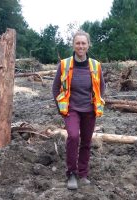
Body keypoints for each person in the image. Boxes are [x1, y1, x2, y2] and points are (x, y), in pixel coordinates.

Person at [52, 30, 105, 190]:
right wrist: (61, 108)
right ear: (73, 45)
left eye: (83, 43)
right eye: (78, 43)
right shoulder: (64, 65)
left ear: (88, 45)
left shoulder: (96, 66)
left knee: (87, 142)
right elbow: (55, 88)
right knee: (74, 137)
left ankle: (83, 174)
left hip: (89, 110)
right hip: (71, 109)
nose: (80, 46)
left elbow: (102, 87)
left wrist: (96, 103)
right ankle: (71, 174)